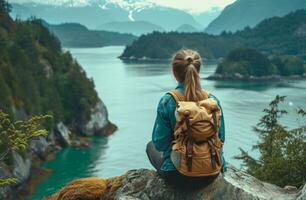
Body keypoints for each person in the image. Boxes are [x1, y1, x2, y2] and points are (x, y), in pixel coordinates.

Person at [146, 49, 226, 188]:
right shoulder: (213, 101)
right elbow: (221, 138)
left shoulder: (168, 101)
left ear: (174, 72)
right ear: (198, 70)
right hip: (210, 174)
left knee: (150, 146)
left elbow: (159, 143)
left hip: (177, 176)